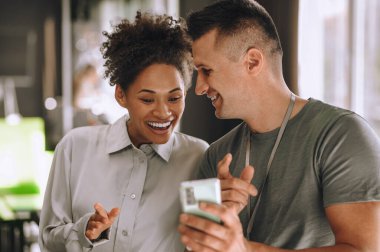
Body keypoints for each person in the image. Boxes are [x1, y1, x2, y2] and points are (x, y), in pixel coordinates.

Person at [178, 0, 380, 251]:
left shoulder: (342, 135)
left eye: (206, 70)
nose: (199, 88)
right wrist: (215, 224)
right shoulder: (216, 156)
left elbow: (363, 249)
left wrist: (247, 249)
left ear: (252, 62)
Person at [39, 11, 209, 252]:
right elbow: (47, 240)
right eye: (148, 100)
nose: (163, 112)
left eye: (174, 98)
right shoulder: (74, 148)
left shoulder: (198, 157)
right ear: (121, 95)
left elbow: (206, 241)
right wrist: (83, 231)